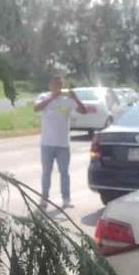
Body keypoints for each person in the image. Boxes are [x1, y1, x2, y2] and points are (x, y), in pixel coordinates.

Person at [33, 75, 86, 209]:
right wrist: (53, 97)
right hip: (47, 143)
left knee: (64, 173)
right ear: (50, 85)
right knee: (46, 172)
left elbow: (83, 111)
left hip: (63, 144)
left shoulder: (67, 100)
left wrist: (75, 98)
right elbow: (36, 108)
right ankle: (44, 199)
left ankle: (66, 199)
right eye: (55, 84)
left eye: (60, 85)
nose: (58, 87)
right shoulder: (44, 97)